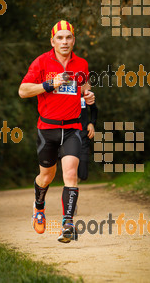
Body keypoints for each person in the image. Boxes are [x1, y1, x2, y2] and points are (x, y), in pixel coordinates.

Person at [18, 20, 95, 243]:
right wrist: (49, 84)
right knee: (46, 176)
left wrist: (87, 96)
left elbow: (84, 89)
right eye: (59, 38)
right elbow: (23, 91)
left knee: (70, 175)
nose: (64, 42)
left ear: (73, 40)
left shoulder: (81, 63)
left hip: (72, 128)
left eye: (68, 37)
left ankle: (68, 224)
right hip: (47, 129)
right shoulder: (41, 62)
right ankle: (39, 207)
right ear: (52, 41)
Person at [78, 96, 98, 181]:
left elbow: (94, 109)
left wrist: (92, 123)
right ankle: (71, 184)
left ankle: (76, 179)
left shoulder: (86, 96)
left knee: (83, 174)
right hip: (68, 132)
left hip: (83, 134)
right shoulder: (66, 93)